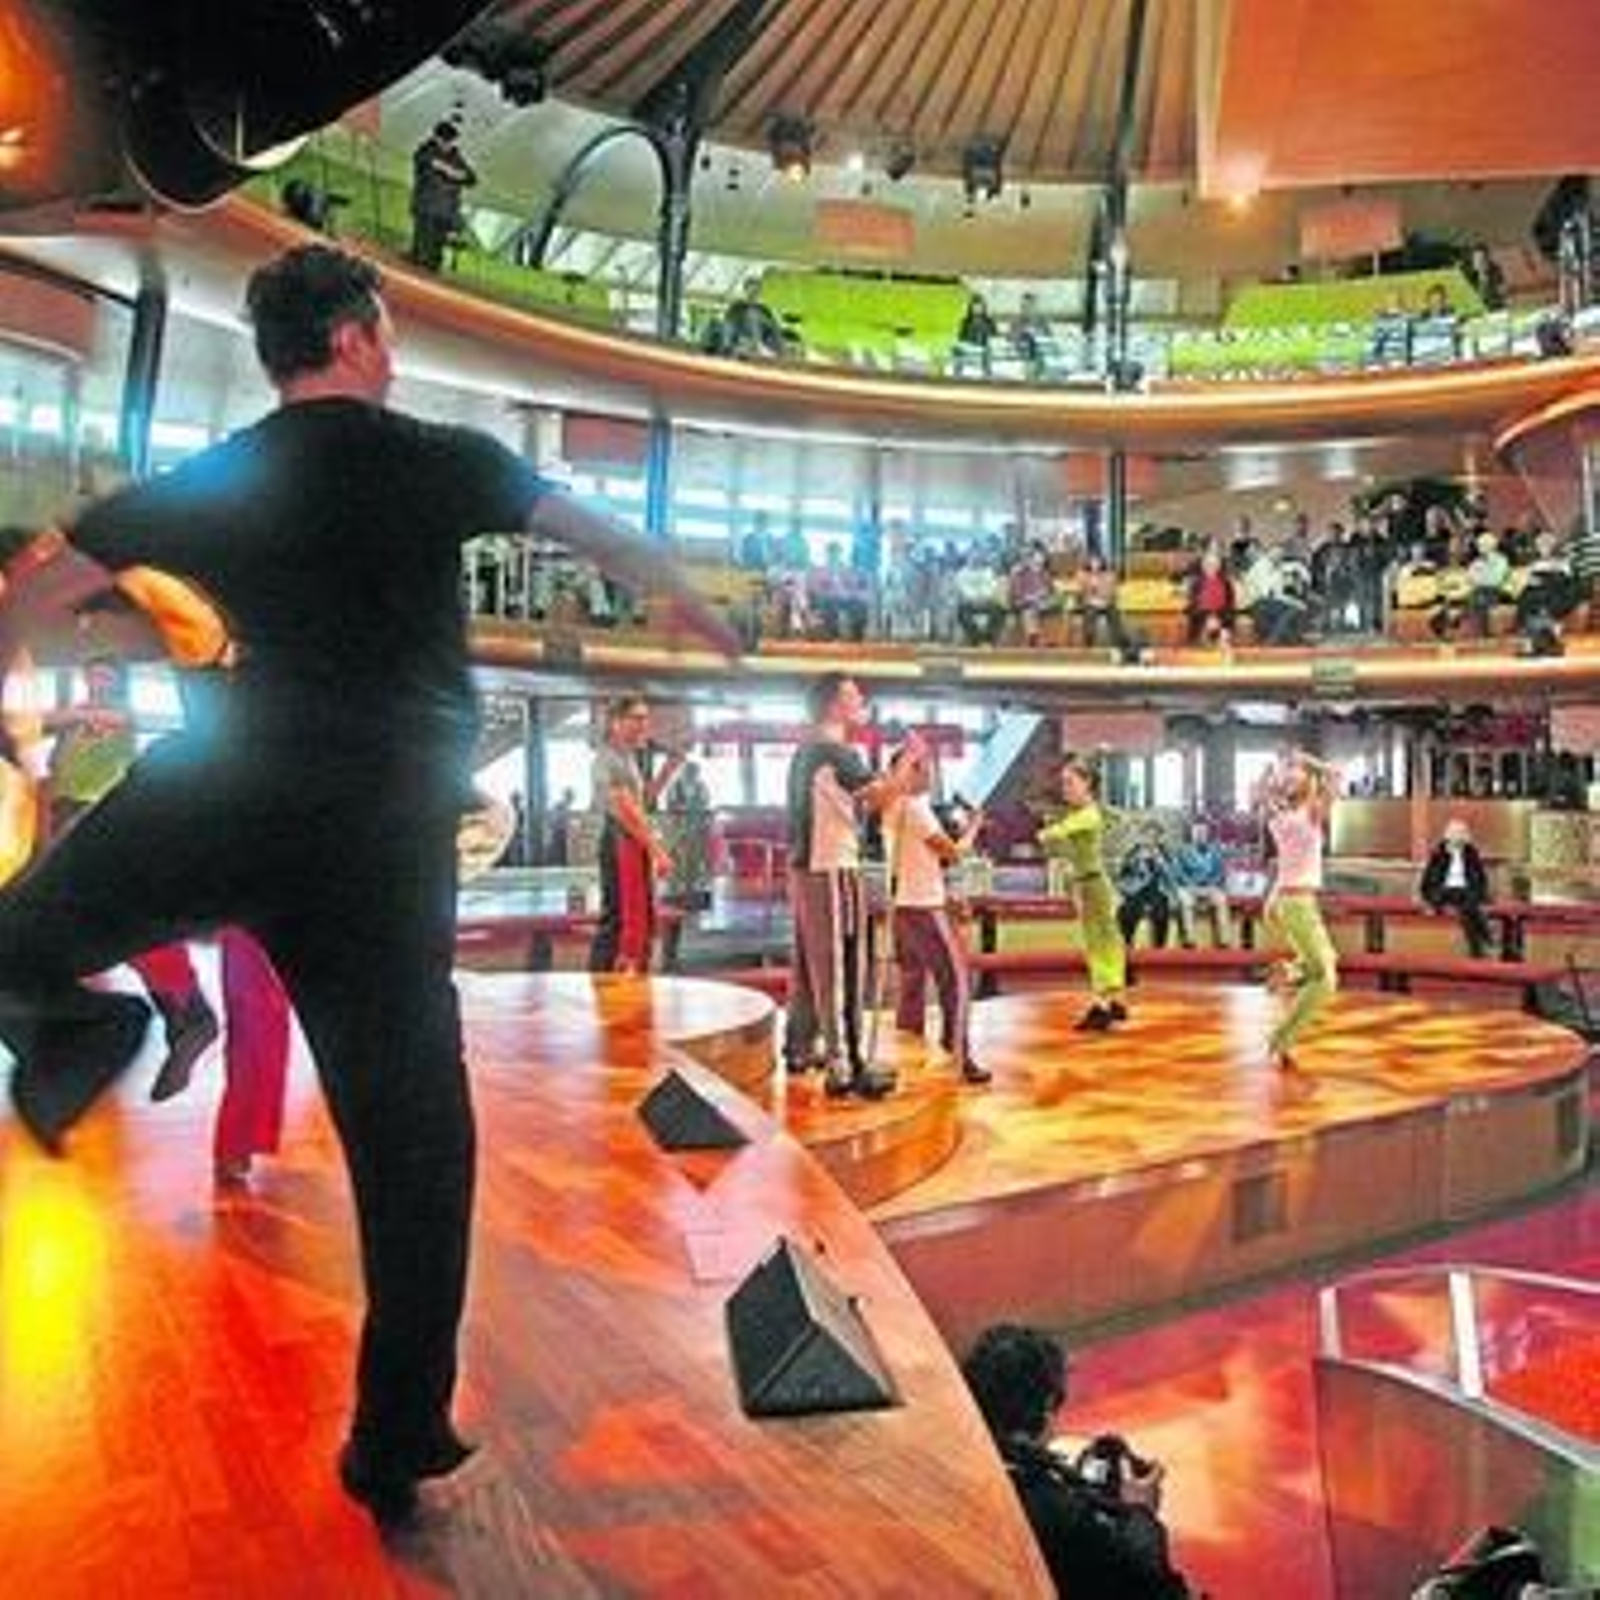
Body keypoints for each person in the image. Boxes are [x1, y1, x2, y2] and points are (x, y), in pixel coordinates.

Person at [0, 242, 733, 1525]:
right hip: (380, 843)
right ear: (349, 338)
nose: (390, 351)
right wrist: (686, 599)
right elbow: (595, 529)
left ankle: (91, 1022)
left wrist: (21, 654)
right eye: (382, 332)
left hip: (228, 790)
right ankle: (395, 1433)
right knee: (416, 1149)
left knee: (18, 936)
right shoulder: (438, 459)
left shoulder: (216, 476)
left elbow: (47, 581)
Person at [961, 1325, 1192, 1600]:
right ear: (1047, 1406)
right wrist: (1140, 1510)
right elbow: (1139, 1573)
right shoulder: (1059, 1513)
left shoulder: (966, 1463)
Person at [785, 673, 922, 1099]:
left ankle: (799, 1046)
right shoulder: (834, 751)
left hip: (811, 868)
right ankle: (847, 1063)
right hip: (832, 869)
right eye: (853, 695)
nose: (862, 700)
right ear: (833, 705)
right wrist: (908, 762)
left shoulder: (807, 751)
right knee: (843, 964)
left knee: (811, 964)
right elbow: (882, 797)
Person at [883, 746, 989, 1085]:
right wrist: (974, 826)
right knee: (956, 982)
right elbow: (954, 853)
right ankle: (957, 1051)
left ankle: (909, 1048)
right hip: (924, 907)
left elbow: (926, 859)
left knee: (912, 983)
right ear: (902, 774)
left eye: (927, 766)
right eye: (917, 767)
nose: (927, 773)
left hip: (902, 907)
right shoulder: (914, 808)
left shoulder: (891, 805)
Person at [590, 695, 681, 974]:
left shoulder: (627, 758)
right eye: (637, 718)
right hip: (619, 839)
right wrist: (657, 850)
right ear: (616, 723)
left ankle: (619, 982)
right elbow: (624, 810)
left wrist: (669, 769)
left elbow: (642, 802)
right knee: (618, 919)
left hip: (629, 839)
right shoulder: (608, 758)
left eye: (646, 718)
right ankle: (601, 986)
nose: (644, 725)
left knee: (632, 917)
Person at [1261, 752, 1340, 1073]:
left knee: (1327, 964)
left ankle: (1292, 973)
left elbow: (1282, 864)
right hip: (1299, 903)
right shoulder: (1309, 813)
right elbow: (1335, 775)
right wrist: (1310, 762)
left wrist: (1271, 899)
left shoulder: (1279, 814)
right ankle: (1283, 1040)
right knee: (1326, 979)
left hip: (1287, 899)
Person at [1039, 755, 1128, 1032]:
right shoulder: (1087, 813)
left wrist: (1046, 831)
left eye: (1070, 782)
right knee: (1105, 943)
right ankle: (1113, 1000)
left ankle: (1102, 1004)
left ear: (1087, 783)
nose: (1065, 788)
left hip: (1093, 885)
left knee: (1099, 945)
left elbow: (1055, 834)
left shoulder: (1087, 815)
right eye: (1063, 783)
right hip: (1090, 884)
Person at [1420, 817, 1493, 958]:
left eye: (1461, 833)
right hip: (1443, 891)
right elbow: (1429, 877)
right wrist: (1429, 895)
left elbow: (1480, 876)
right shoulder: (1439, 852)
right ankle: (1486, 937)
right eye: (1454, 833)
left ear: (1465, 836)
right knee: (1468, 903)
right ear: (1448, 835)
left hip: (1466, 892)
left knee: (1467, 907)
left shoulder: (1471, 852)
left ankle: (1476, 948)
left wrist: (1481, 892)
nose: (1457, 836)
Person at [409, 121, 477, 272]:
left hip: (446, 210)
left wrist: (457, 173)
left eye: (451, 141)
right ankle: (415, 264)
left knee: (435, 255)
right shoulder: (425, 151)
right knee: (422, 248)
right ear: (437, 138)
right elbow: (423, 161)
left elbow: (472, 178)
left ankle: (427, 271)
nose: (448, 144)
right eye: (445, 140)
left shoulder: (455, 156)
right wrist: (442, 167)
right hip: (426, 207)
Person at [1172, 819, 1232, 948]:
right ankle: (1190, 940)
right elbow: (1178, 872)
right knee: (1186, 902)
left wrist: (1210, 884)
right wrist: (1193, 885)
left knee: (1221, 899)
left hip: (1210, 886)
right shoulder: (1182, 851)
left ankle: (1224, 941)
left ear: (1207, 834)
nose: (1200, 835)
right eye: (1197, 832)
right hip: (1188, 887)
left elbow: (1221, 872)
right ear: (1192, 834)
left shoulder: (1216, 851)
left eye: (1203, 832)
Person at [1116, 826, 1177, 950]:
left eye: (1154, 836)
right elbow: (1122, 876)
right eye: (1147, 836)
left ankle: (1159, 945)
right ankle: (1127, 942)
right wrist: (1136, 865)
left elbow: (1173, 877)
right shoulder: (1133, 852)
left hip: (1157, 891)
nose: (1150, 840)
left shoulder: (1164, 852)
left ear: (1158, 839)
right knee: (1125, 911)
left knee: (1162, 910)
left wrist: (1162, 863)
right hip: (1137, 891)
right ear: (1142, 837)